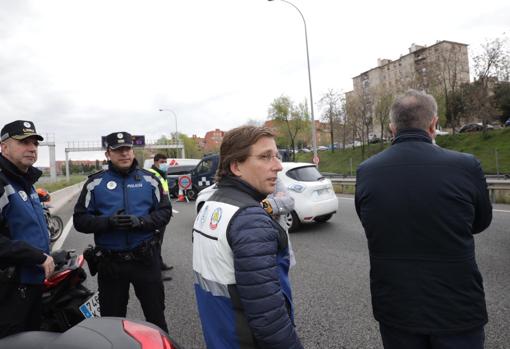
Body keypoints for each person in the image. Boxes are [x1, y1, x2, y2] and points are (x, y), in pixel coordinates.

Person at [355, 89, 492, 349]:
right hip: (457, 307)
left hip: (396, 308)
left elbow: (369, 223)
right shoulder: (466, 166)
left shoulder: (367, 171)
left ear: (392, 128)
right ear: (434, 124)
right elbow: (481, 222)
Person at [192, 125, 303, 349]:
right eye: (265, 157)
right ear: (236, 166)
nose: (278, 166)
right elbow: (269, 319)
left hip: (220, 336)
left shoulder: (211, 204)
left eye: (276, 156)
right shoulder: (250, 220)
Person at [73, 131, 171, 332]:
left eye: (127, 149)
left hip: (145, 260)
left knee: (156, 318)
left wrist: (141, 222)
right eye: (118, 150)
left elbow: (165, 212)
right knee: (112, 325)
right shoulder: (94, 183)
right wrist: (107, 222)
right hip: (111, 264)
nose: (124, 154)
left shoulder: (150, 180)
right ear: (108, 154)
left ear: (133, 152)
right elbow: (79, 220)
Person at [0, 120, 55, 338]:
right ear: (4, 147)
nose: (31, 148)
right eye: (23, 142)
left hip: (31, 283)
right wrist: (35, 256)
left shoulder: (25, 181)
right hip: (9, 290)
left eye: (35, 143)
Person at [148, 153, 174, 276]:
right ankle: (155, 271)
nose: (164, 164)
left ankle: (160, 264)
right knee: (155, 243)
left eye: (165, 161)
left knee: (159, 242)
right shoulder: (152, 174)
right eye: (162, 162)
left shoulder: (162, 174)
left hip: (163, 212)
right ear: (156, 161)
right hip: (156, 214)